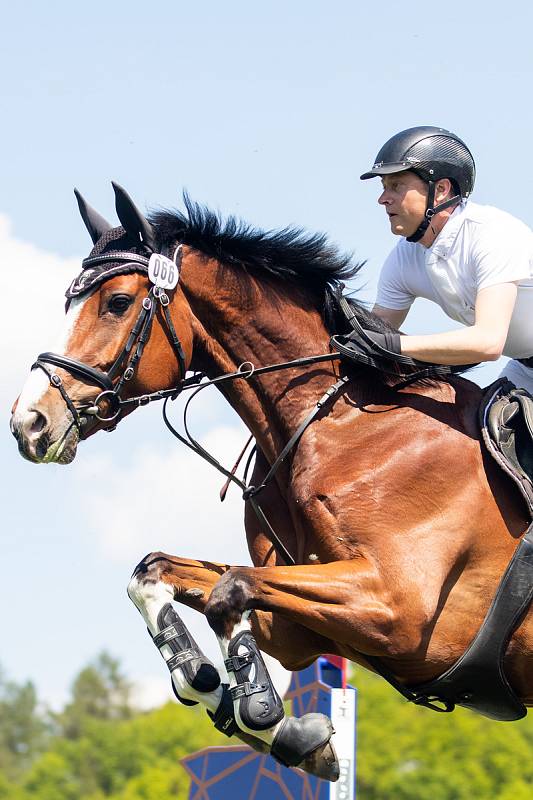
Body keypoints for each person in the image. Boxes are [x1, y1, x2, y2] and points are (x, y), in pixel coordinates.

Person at [359, 126, 533, 393]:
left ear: (440, 189)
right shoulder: (405, 256)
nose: (383, 199)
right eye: (384, 187)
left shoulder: (492, 233)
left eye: (396, 186)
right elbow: (375, 333)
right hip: (524, 369)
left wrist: (393, 345)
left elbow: (488, 342)